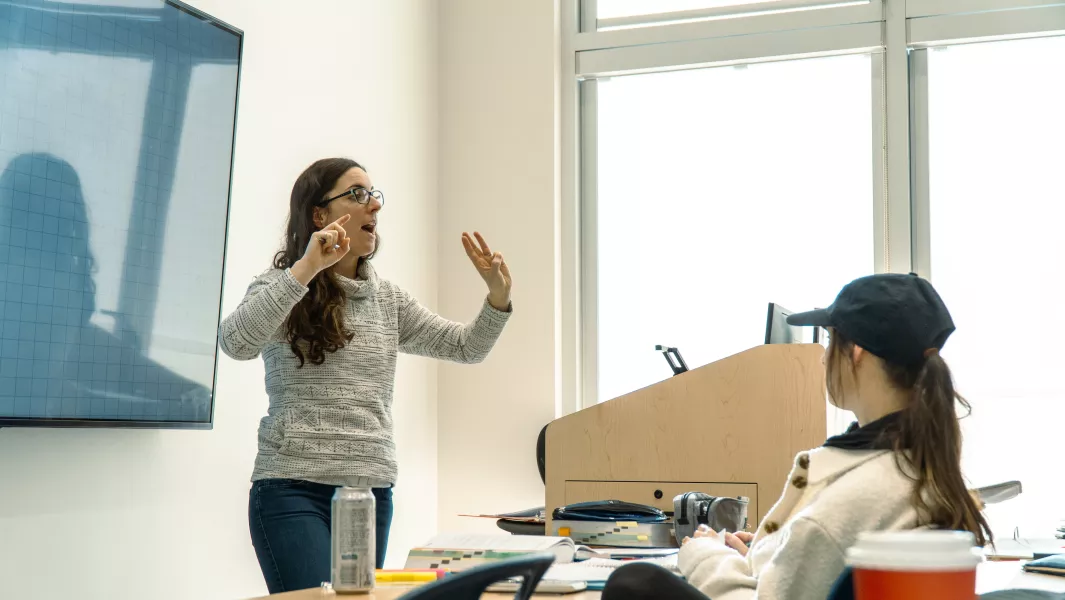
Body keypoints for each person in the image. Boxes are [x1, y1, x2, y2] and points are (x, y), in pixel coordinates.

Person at [218, 158, 513, 594]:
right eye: (358, 194)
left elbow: (466, 348)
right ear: (320, 215)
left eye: (374, 194)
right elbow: (236, 342)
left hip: (369, 494)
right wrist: (306, 268)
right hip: (293, 490)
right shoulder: (281, 286)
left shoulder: (388, 300)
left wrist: (498, 297)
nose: (374, 206)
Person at [603, 273, 990, 600]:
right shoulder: (921, 465)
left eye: (828, 341)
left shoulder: (848, 500)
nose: (823, 358)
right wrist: (766, 549)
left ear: (855, 351)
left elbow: (811, 550)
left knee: (633, 583)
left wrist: (704, 555)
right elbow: (814, 567)